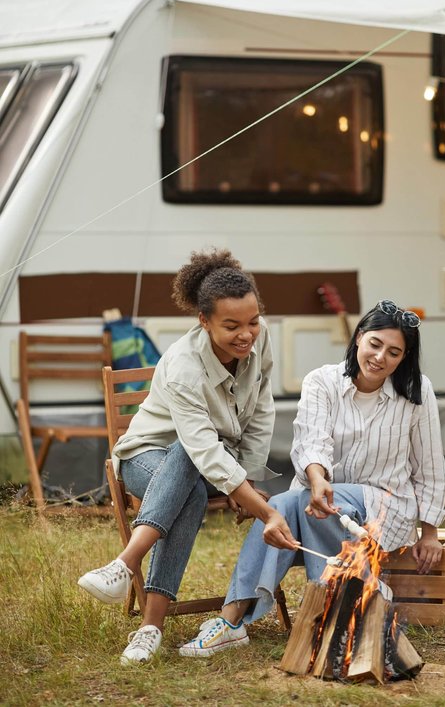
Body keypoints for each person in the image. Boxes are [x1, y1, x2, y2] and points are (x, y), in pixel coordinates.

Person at [178, 299, 445, 657]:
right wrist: (318, 479)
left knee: (286, 503)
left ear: (404, 358)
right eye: (375, 344)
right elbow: (311, 440)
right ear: (358, 339)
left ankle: (241, 621)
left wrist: (429, 531)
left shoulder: (417, 392)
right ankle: (340, 603)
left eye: (394, 352)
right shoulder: (322, 382)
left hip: (384, 509)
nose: (381, 357)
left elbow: (429, 463)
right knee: (287, 503)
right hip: (319, 505)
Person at [78, 248, 297, 664]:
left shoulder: (260, 336)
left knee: (194, 473)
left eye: (252, 321)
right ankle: (148, 624)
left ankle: (126, 570)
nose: (246, 334)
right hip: (147, 456)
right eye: (231, 326)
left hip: (215, 459)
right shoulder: (183, 366)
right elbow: (199, 448)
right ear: (204, 320)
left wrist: (246, 476)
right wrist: (262, 508)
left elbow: (263, 407)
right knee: (187, 462)